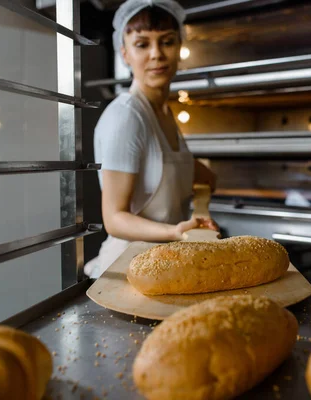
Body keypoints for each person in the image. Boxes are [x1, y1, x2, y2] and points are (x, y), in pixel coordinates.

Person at [84, 0, 218, 279]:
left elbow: (197, 176)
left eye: (167, 42)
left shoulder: (165, 113)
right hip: (124, 270)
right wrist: (175, 230)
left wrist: (201, 195)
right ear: (125, 53)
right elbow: (114, 219)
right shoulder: (127, 116)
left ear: (180, 48)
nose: (157, 54)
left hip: (160, 265)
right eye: (142, 44)